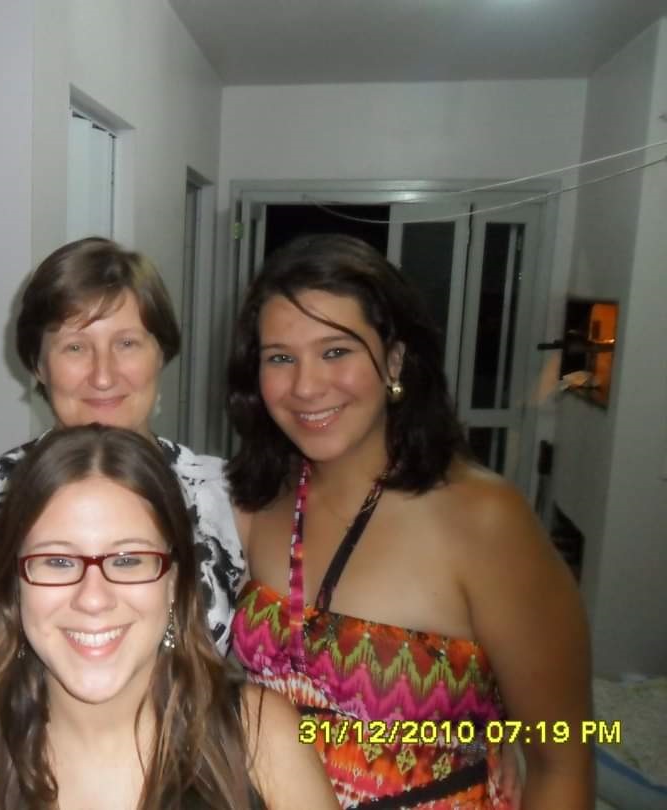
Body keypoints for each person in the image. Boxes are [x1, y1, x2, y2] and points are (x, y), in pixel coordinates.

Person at [226, 234, 592, 808]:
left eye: (336, 351)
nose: (306, 386)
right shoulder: (255, 503)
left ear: (394, 360)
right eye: (280, 358)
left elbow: (563, 760)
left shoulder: (483, 520)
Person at [0, 425, 340, 810]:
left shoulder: (261, 738)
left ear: (173, 581)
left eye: (129, 559)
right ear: (14, 584)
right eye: (57, 561)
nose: (93, 598)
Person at [0, 238, 244, 653]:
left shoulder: (231, 499)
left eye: (127, 343)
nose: (103, 376)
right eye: (75, 347)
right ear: (38, 365)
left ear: (161, 353)